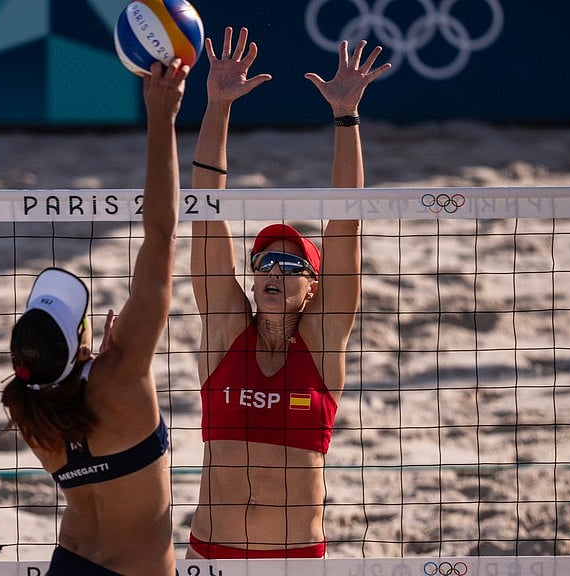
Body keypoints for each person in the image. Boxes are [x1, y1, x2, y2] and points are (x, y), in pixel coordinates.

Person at [186, 27, 390, 559]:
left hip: (295, 560)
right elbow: (206, 208)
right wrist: (216, 106)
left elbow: (346, 224)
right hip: (212, 555)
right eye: (262, 262)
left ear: (312, 287)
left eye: (288, 263)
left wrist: (346, 117)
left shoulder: (322, 344)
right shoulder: (225, 330)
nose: (271, 271)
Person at [1, 58, 191, 576]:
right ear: (83, 337)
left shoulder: (29, 413)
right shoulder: (124, 374)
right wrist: (162, 119)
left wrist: (98, 358)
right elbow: (161, 233)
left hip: (72, 565)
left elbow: (68, 391)